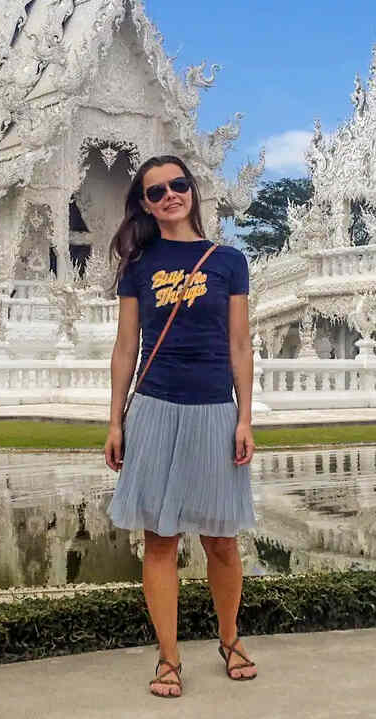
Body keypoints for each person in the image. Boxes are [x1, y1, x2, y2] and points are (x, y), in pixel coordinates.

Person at [103, 155, 258, 699]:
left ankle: (231, 639)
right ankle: (168, 658)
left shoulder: (229, 262)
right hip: (154, 406)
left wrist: (244, 416)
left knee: (221, 540)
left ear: (192, 190)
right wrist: (115, 420)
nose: (170, 195)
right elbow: (126, 348)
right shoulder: (139, 266)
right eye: (156, 191)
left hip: (215, 408)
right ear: (144, 204)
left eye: (178, 185)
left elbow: (240, 344)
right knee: (161, 540)